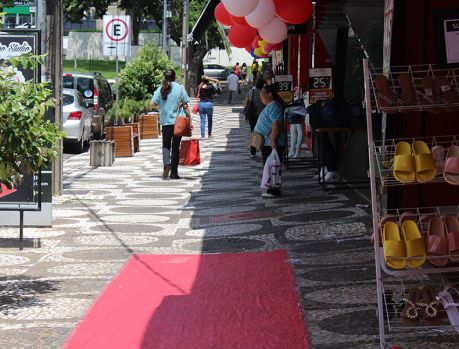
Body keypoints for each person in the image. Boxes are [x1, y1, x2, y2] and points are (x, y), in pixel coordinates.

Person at [151, 69, 191, 180]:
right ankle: (174, 173)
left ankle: (166, 163)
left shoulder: (161, 88)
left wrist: (161, 107)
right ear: (174, 77)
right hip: (178, 122)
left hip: (165, 122)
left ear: (165, 77)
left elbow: (152, 104)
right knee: (176, 147)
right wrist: (189, 118)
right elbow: (186, 106)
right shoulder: (180, 88)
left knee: (166, 145)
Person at [254, 84, 287, 197]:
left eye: (262, 94)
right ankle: (271, 188)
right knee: (269, 166)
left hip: (271, 142)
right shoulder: (271, 105)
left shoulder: (274, 105)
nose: (260, 96)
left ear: (269, 94)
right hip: (267, 142)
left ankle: (273, 190)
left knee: (272, 166)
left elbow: (277, 123)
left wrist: (273, 140)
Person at [244, 77, 265, 157]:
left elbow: (246, 102)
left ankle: (253, 150)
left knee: (254, 132)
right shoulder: (264, 92)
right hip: (262, 115)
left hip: (252, 115)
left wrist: (246, 112)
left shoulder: (251, 92)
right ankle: (263, 149)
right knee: (263, 132)